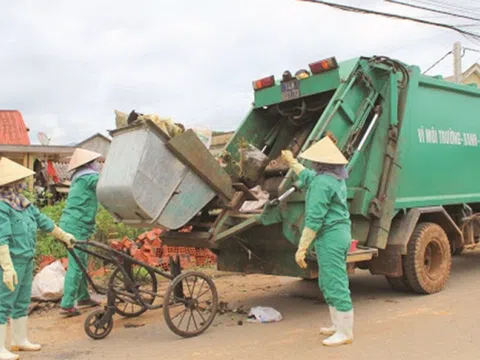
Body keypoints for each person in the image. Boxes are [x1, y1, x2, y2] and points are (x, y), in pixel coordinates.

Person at [281, 136, 354, 347]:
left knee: (335, 281)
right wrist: (292, 161)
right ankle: (337, 324)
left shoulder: (323, 184)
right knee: (327, 281)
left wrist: (301, 248)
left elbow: (313, 220)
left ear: (322, 162)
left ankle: (345, 332)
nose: (313, 164)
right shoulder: (332, 178)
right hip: (335, 234)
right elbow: (307, 176)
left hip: (331, 236)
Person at [0, 157, 75, 360]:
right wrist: (7, 267)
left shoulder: (23, 203)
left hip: (26, 259)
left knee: (22, 300)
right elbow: (1, 239)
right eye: (17, 182)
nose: (21, 185)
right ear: (8, 184)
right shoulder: (2, 207)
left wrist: (63, 235)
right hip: (9, 262)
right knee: (3, 302)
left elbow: (43, 221)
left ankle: (19, 340)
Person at [59, 148, 102, 317]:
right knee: (76, 266)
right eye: (95, 162)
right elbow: (107, 186)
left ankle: (83, 297)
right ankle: (67, 304)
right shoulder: (90, 177)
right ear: (89, 164)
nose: (97, 165)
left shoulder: (78, 177)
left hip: (72, 224)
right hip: (77, 226)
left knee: (81, 262)